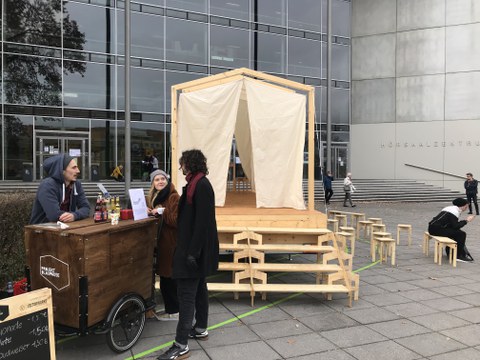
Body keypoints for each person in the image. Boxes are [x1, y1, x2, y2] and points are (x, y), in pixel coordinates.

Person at [157, 149, 219, 360]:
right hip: (194, 249)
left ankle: (180, 344)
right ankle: (201, 328)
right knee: (200, 289)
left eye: (182, 163)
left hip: (192, 251)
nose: (181, 167)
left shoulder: (201, 186)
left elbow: (202, 223)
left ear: (190, 164)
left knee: (186, 296)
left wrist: (192, 253)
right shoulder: (196, 183)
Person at [146, 169, 180, 321]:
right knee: (165, 278)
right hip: (160, 243)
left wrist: (161, 211)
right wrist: (150, 212)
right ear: (153, 183)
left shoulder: (173, 197)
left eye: (163, 179)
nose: (160, 181)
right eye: (156, 179)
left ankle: (174, 312)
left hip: (170, 243)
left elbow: (176, 220)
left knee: (169, 279)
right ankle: (171, 309)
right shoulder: (154, 196)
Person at [30, 154, 90, 224]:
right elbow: (54, 215)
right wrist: (74, 215)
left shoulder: (76, 184)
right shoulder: (47, 185)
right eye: (74, 168)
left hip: (67, 227)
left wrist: (74, 216)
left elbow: (86, 208)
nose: (78, 171)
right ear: (62, 170)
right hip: (40, 230)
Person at [428, 198, 475, 262]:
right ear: (463, 206)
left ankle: (450, 253)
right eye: (467, 206)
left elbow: (451, 225)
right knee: (461, 234)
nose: (467, 208)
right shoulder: (454, 211)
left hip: (432, 228)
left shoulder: (449, 208)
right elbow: (455, 226)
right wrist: (466, 221)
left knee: (458, 233)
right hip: (436, 230)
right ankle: (457, 256)